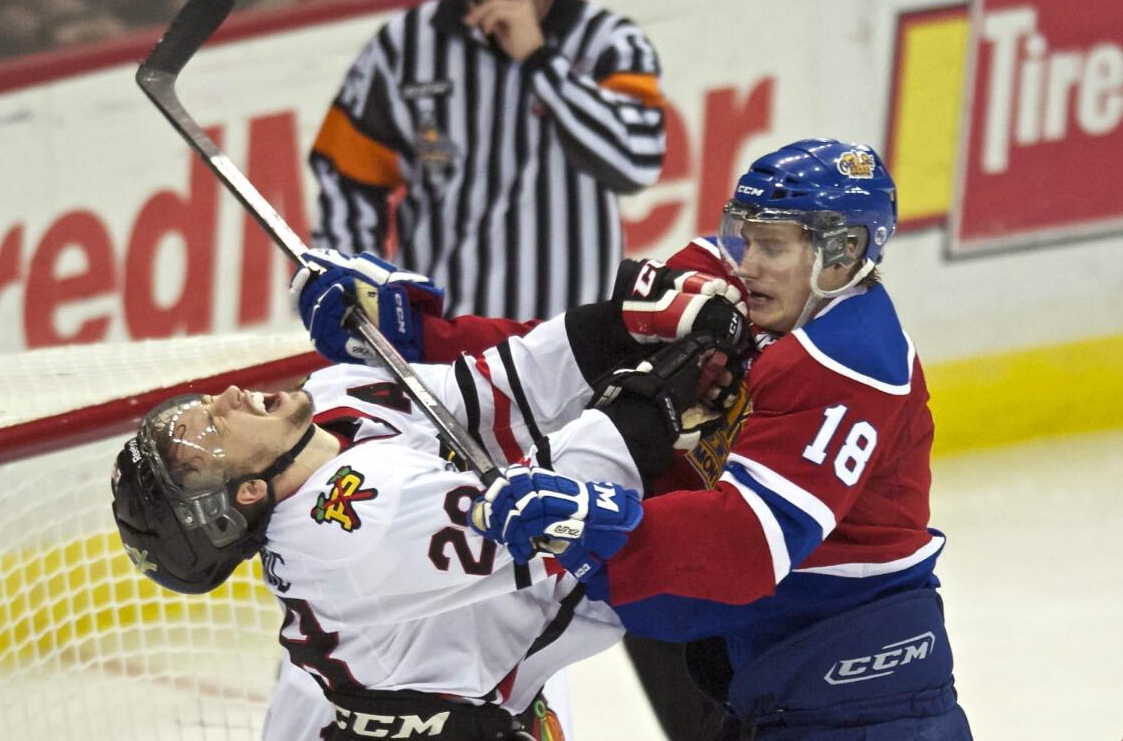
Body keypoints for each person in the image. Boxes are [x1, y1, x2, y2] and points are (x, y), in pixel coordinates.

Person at [468, 139, 975, 739]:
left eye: (773, 246)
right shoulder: (745, 292)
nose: (747, 262)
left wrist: (596, 518)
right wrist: (424, 334)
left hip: (865, 707)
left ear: (843, 254)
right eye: (745, 236)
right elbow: (581, 341)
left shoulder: (850, 363)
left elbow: (748, 544)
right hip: (770, 684)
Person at [111, 268, 750, 740]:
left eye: (198, 414)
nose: (224, 395)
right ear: (247, 493)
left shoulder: (337, 399)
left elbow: (501, 388)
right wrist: (660, 395)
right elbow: (560, 511)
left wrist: (628, 323)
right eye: (212, 433)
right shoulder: (346, 533)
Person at [308, 0, 666, 321]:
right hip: (442, 342)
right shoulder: (403, 46)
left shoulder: (609, 41)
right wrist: (356, 293)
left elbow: (637, 163)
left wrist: (541, 61)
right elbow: (346, 179)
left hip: (573, 345)